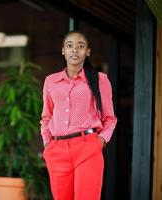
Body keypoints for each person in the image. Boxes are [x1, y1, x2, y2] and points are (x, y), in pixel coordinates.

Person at [40, 30, 117, 200]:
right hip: (57, 149)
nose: (75, 50)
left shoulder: (100, 79)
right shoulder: (51, 81)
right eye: (70, 46)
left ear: (87, 52)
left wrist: (100, 140)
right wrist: (47, 143)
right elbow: (46, 117)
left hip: (88, 147)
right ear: (63, 50)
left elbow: (110, 119)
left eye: (80, 46)